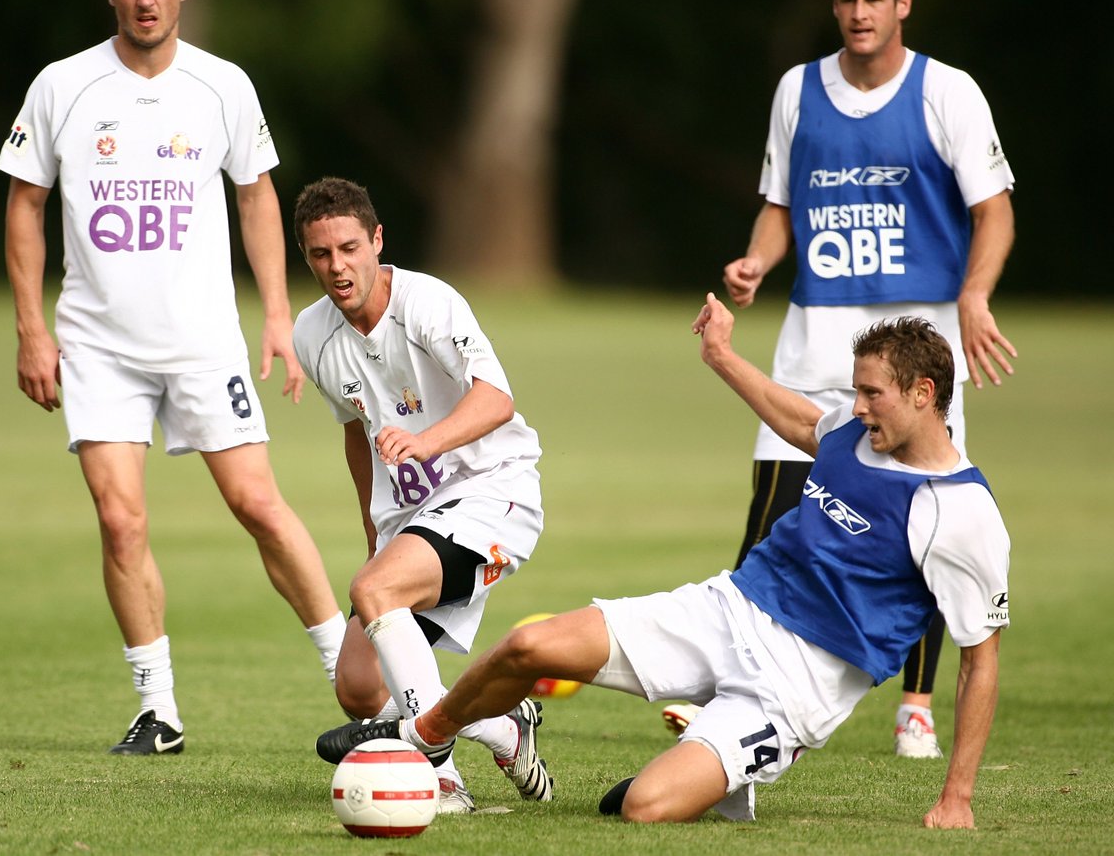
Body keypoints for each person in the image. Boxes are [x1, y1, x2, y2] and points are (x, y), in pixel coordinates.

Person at [318, 297, 1011, 829]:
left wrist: (957, 797)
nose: (855, 407)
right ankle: (425, 737)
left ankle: (715, 768)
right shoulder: (855, 434)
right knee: (528, 646)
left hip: (796, 686)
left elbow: (980, 660)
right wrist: (721, 356)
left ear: (923, 393)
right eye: (854, 392)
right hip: (727, 608)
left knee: (645, 808)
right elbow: (802, 422)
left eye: (871, 394)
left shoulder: (959, 512)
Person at [667, 0, 1017, 758]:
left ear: (903, 5)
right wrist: (759, 261)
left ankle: (916, 706)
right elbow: (780, 204)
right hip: (815, 335)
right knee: (771, 514)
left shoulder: (947, 92)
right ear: (834, 5)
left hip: (915, 347)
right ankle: (734, 683)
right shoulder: (798, 89)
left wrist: (973, 295)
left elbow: (994, 210)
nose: (859, 13)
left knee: (923, 520)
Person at [0, 0, 346, 755]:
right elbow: (25, 205)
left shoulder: (223, 85)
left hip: (203, 341)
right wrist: (31, 329)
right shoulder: (61, 85)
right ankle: (158, 711)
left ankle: (355, 676)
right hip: (98, 345)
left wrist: (276, 314)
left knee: (258, 505)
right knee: (120, 522)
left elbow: (255, 196)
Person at [291, 177, 552, 814]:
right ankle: (502, 728)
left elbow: (497, 398)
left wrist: (426, 442)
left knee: (377, 593)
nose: (338, 267)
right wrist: (375, 536)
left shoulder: (427, 303)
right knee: (359, 688)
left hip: (495, 492)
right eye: (321, 254)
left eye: (349, 248)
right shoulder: (312, 334)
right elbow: (355, 434)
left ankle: (441, 778)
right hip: (416, 518)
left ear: (377, 240)